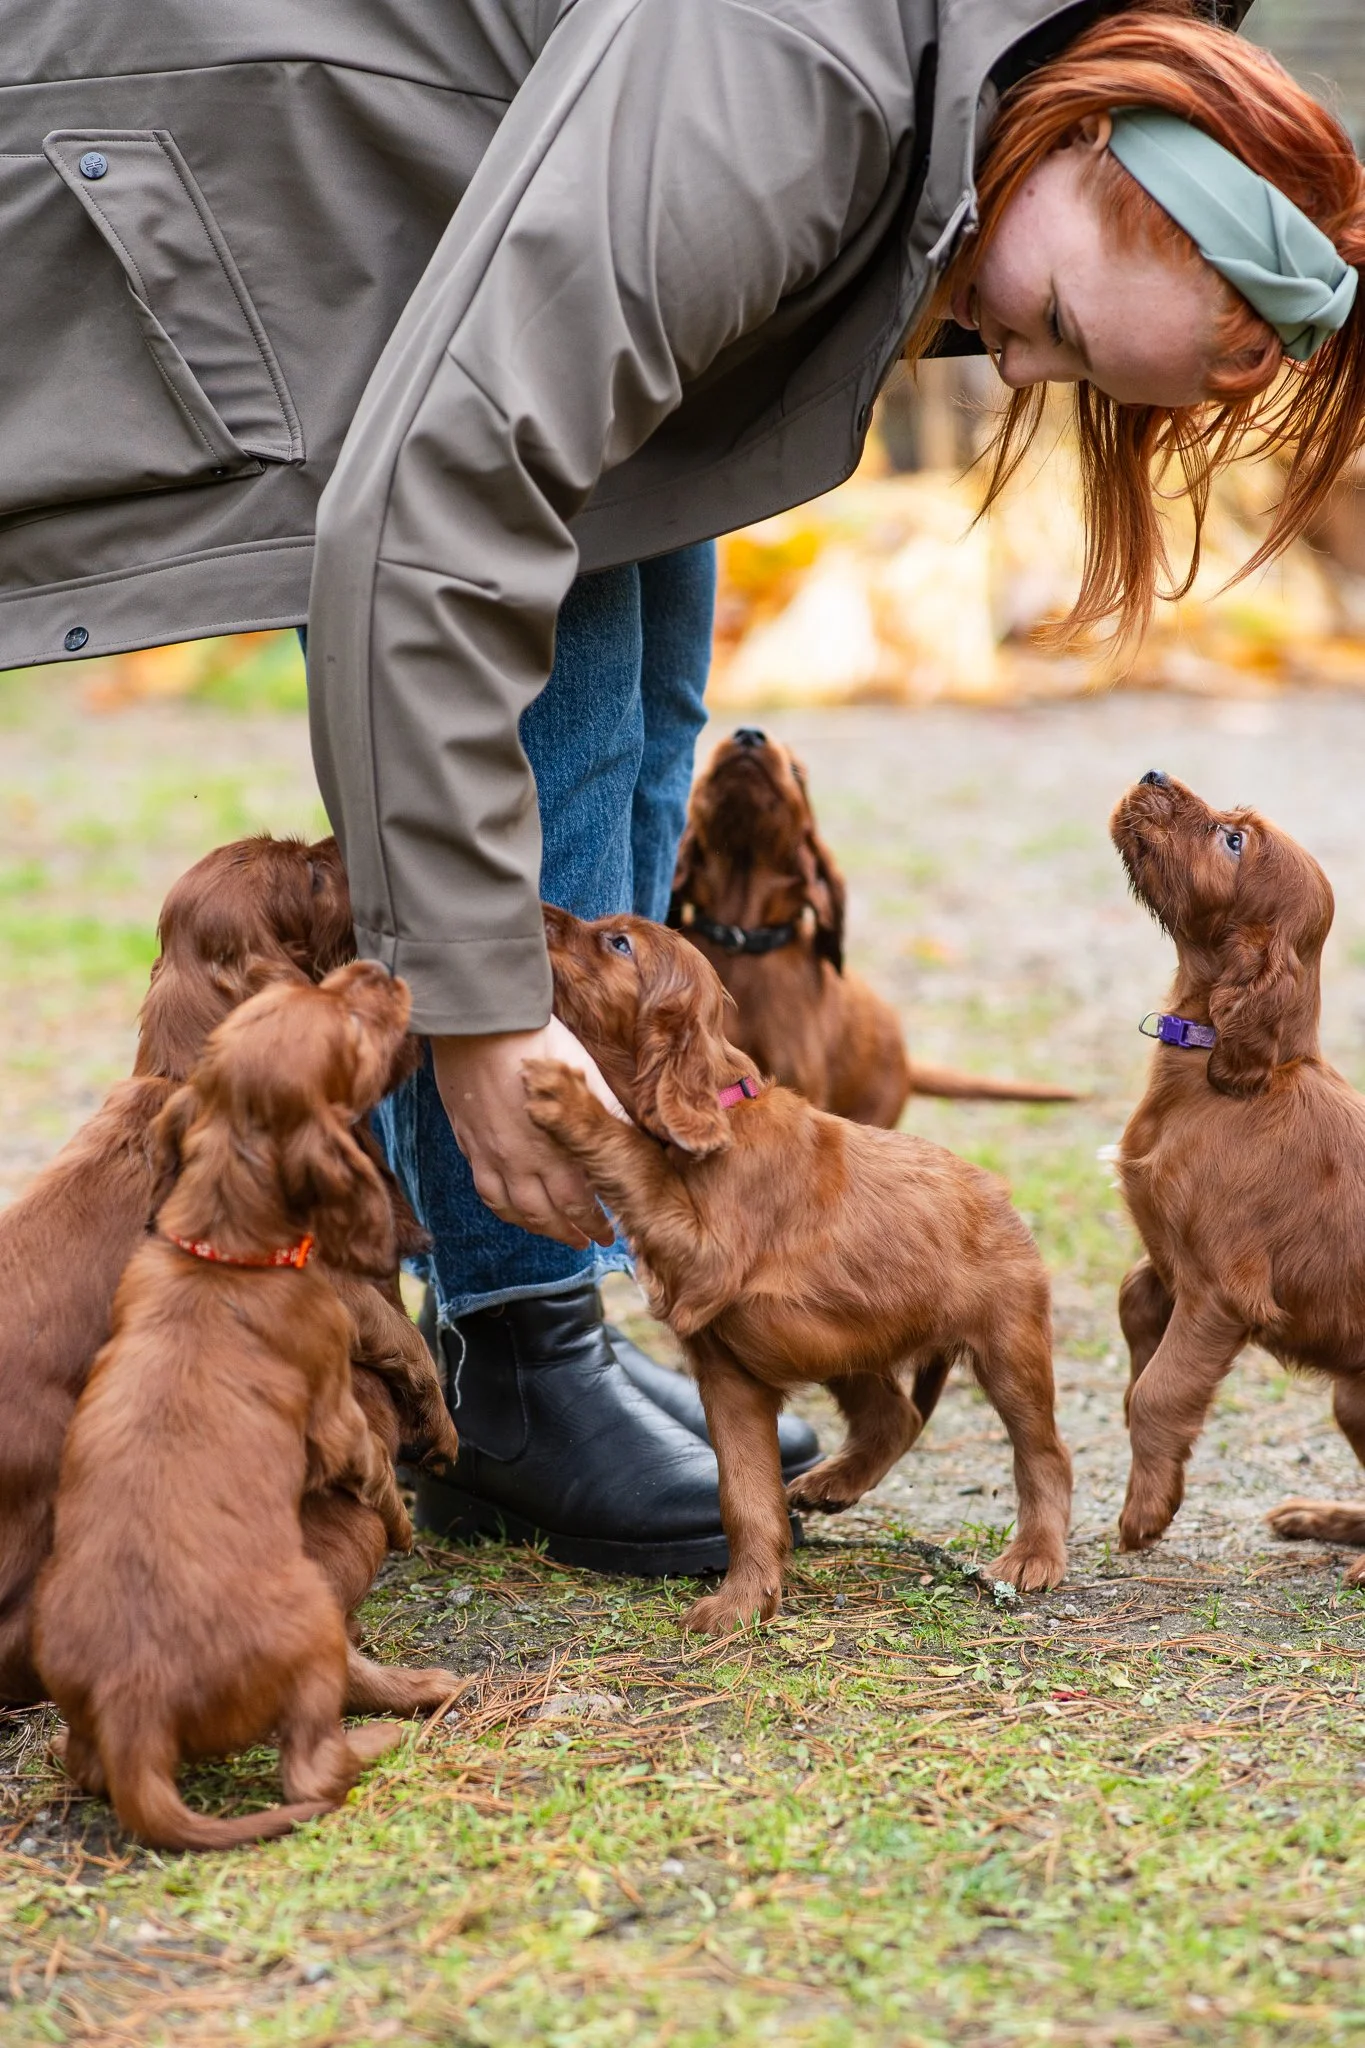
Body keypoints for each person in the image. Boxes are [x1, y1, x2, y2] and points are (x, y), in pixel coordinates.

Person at [6, 1, 1362, 1569]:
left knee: (646, 682)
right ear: (1094, 137)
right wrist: (480, 1013)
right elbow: (438, 514)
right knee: (557, 680)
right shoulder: (801, 76)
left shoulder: (961, 93)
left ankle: (547, 1322)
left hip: (468, 182)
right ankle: (511, 1342)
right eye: (1042, 316)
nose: (999, 356)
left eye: (1041, 358)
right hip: (206, 140)